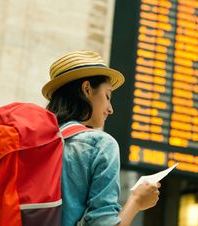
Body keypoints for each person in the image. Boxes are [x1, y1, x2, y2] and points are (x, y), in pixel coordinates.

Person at [41, 50, 160, 226]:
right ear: (87, 89)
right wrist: (136, 200)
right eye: (107, 96)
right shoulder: (99, 144)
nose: (110, 109)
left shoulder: (35, 141)